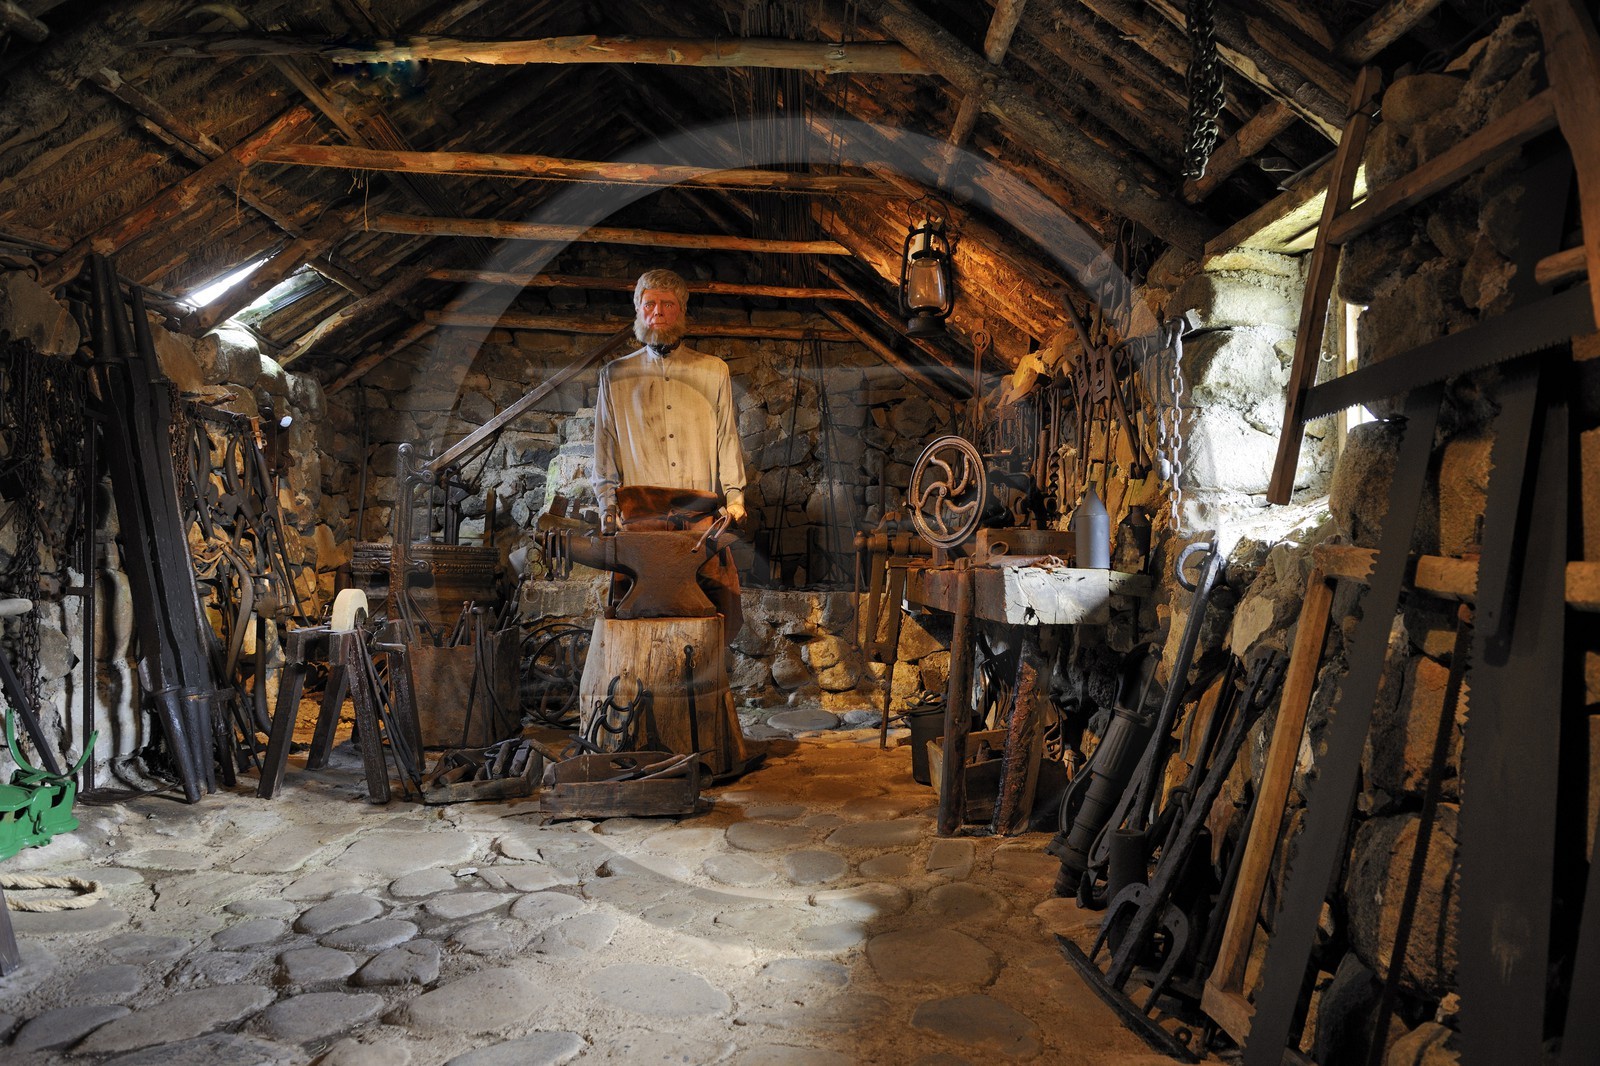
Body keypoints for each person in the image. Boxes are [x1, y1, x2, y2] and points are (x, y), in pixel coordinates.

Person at [592, 268, 747, 634]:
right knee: (635, 621)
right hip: (639, 521)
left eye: (667, 304)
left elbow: (727, 437)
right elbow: (605, 447)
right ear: (638, 310)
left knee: (708, 618)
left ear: (682, 311)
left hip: (698, 523)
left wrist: (736, 496)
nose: (657, 311)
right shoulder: (614, 376)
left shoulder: (713, 372)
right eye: (649, 304)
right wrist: (606, 505)